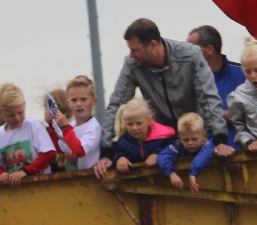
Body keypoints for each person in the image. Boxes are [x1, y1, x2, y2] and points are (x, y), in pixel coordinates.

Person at [98, 18, 232, 176]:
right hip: (162, 142)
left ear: (153, 44)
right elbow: (117, 104)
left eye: (135, 50)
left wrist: (220, 139)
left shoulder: (190, 55)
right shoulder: (132, 64)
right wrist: (106, 152)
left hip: (196, 136)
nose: (131, 55)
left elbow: (208, 97)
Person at [0, 82, 56, 186]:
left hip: (40, 187)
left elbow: (49, 153)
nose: (17, 118)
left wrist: (26, 171)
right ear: (0, 113)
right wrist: (0, 173)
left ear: (24, 105)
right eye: (11, 115)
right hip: (14, 191)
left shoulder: (33, 126)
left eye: (20, 112)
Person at [187, 24, 244, 143]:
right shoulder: (188, 80)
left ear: (210, 49)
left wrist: (218, 114)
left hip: (242, 149)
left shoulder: (244, 74)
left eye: (191, 49)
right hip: (202, 151)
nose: (186, 53)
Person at [47, 75, 103, 172]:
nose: (78, 104)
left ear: (94, 101)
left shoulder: (94, 127)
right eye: (74, 100)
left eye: (83, 99)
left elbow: (80, 150)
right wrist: (52, 125)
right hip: (74, 178)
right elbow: (59, 148)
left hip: (90, 178)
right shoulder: (71, 125)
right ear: (68, 102)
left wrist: (65, 127)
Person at [110, 98, 176, 173]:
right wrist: (119, 158)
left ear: (149, 121)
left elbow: (175, 148)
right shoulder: (122, 142)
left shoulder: (164, 137)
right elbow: (114, 153)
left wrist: (158, 154)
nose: (134, 128)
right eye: (130, 124)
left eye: (139, 123)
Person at [157, 112, 215, 193]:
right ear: (180, 138)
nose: (190, 143)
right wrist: (171, 173)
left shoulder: (209, 143)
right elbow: (164, 156)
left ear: (204, 136)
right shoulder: (178, 145)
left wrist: (193, 173)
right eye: (186, 140)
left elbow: (205, 154)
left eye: (194, 139)